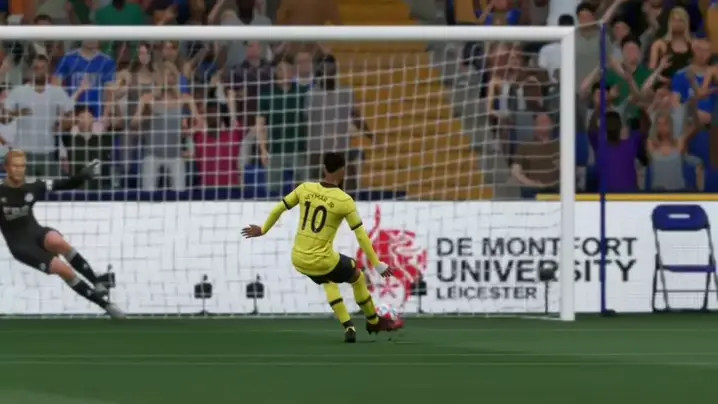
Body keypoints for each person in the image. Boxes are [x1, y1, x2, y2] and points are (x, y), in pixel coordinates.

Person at [241, 152, 403, 343]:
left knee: (328, 281)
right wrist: (376, 263)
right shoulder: (344, 200)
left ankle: (349, 327)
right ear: (343, 171)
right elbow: (360, 235)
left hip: (299, 259)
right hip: (323, 260)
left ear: (324, 169)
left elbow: (279, 208)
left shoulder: (305, 188)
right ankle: (374, 321)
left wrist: (263, 229)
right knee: (357, 276)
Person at [0, 150, 124, 318]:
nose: (19, 170)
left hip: (34, 232)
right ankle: (106, 305)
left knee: (56, 240)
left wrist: (82, 176)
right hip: (21, 246)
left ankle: (97, 282)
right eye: (15, 166)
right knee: (62, 269)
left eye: (22, 166)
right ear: (6, 167)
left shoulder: (34, 185)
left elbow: (64, 184)